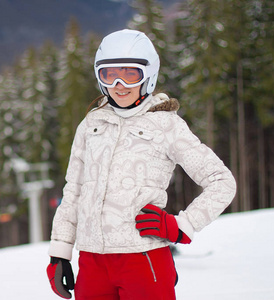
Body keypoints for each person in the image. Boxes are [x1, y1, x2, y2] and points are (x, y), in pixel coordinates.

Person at [46, 29, 237, 300]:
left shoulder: (166, 125)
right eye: (109, 75)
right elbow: (74, 190)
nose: (119, 84)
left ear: (148, 75)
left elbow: (221, 181)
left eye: (130, 73)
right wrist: (60, 252)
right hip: (92, 263)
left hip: (143, 260)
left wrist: (182, 225)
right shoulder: (91, 124)